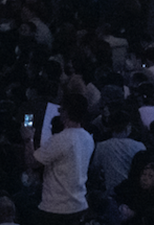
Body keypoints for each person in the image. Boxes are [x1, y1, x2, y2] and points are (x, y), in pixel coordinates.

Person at [28, 95, 94, 225]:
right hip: (79, 204)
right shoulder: (87, 137)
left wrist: (28, 139)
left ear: (66, 112)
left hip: (56, 207)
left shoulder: (61, 139)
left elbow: (32, 161)